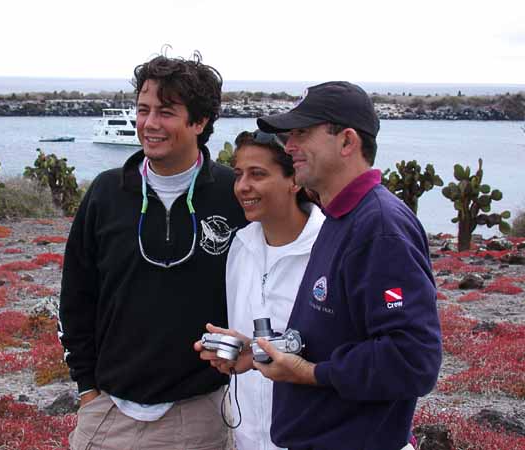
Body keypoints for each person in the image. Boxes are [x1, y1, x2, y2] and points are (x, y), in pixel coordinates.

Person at [58, 53, 247, 450]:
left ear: (199, 121)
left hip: (199, 415)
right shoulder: (106, 193)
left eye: (166, 112)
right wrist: (87, 388)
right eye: (143, 110)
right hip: (108, 413)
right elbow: (76, 296)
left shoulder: (235, 195)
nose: (149, 124)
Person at [249, 81, 443, 450]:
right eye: (289, 135)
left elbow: (413, 358)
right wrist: (268, 351)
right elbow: (340, 331)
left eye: (302, 133)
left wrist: (310, 373)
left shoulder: (380, 227)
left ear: (347, 142)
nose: (288, 146)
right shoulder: (341, 216)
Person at [195, 130, 324, 450]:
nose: (242, 186)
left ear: (294, 180)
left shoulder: (330, 248)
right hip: (249, 438)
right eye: (238, 174)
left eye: (258, 174)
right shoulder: (239, 247)